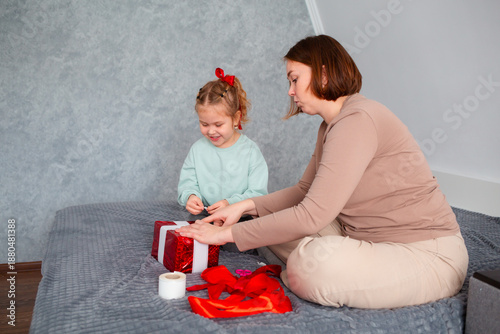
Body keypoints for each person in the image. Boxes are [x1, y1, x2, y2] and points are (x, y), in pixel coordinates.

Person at [177, 36, 469, 309]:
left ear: (324, 75)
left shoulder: (358, 120)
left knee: (309, 265)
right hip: (362, 238)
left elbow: (312, 214)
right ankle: (327, 262)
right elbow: (304, 191)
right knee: (266, 218)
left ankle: (313, 268)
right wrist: (243, 207)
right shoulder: (330, 125)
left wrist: (227, 234)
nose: (290, 91)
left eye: (294, 80)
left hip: (425, 254)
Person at [177, 68, 268, 216]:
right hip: (203, 218)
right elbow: (187, 183)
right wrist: (190, 196)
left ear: (236, 119)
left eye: (218, 125)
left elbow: (258, 194)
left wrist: (229, 204)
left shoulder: (250, 151)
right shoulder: (197, 150)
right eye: (204, 124)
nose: (211, 131)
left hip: (240, 222)